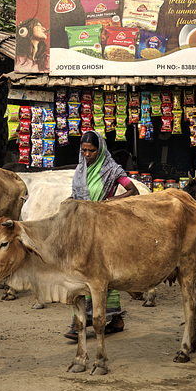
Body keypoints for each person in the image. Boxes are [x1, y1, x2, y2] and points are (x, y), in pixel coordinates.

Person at [64, 130, 139, 340]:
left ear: (101, 149)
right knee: (93, 273)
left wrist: (110, 202)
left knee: (95, 273)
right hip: (83, 225)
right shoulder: (80, 169)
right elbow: (79, 195)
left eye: (92, 150)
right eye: (84, 150)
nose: (87, 154)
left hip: (103, 227)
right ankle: (114, 319)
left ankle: (80, 322)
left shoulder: (112, 169)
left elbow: (133, 191)